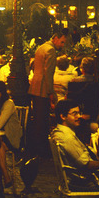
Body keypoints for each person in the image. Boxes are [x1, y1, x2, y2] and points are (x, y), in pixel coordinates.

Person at [27, 26, 68, 159]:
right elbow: (48, 73)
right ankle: (42, 150)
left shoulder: (42, 47)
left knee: (38, 120)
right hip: (42, 89)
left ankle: (37, 149)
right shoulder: (50, 50)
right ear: (55, 39)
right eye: (62, 42)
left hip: (36, 87)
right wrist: (51, 92)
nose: (62, 45)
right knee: (42, 121)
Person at [50, 98, 99, 189]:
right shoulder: (67, 137)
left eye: (79, 113)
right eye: (75, 114)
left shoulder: (61, 132)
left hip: (77, 178)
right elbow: (87, 164)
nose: (79, 116)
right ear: (63, 116)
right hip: (82, 181)